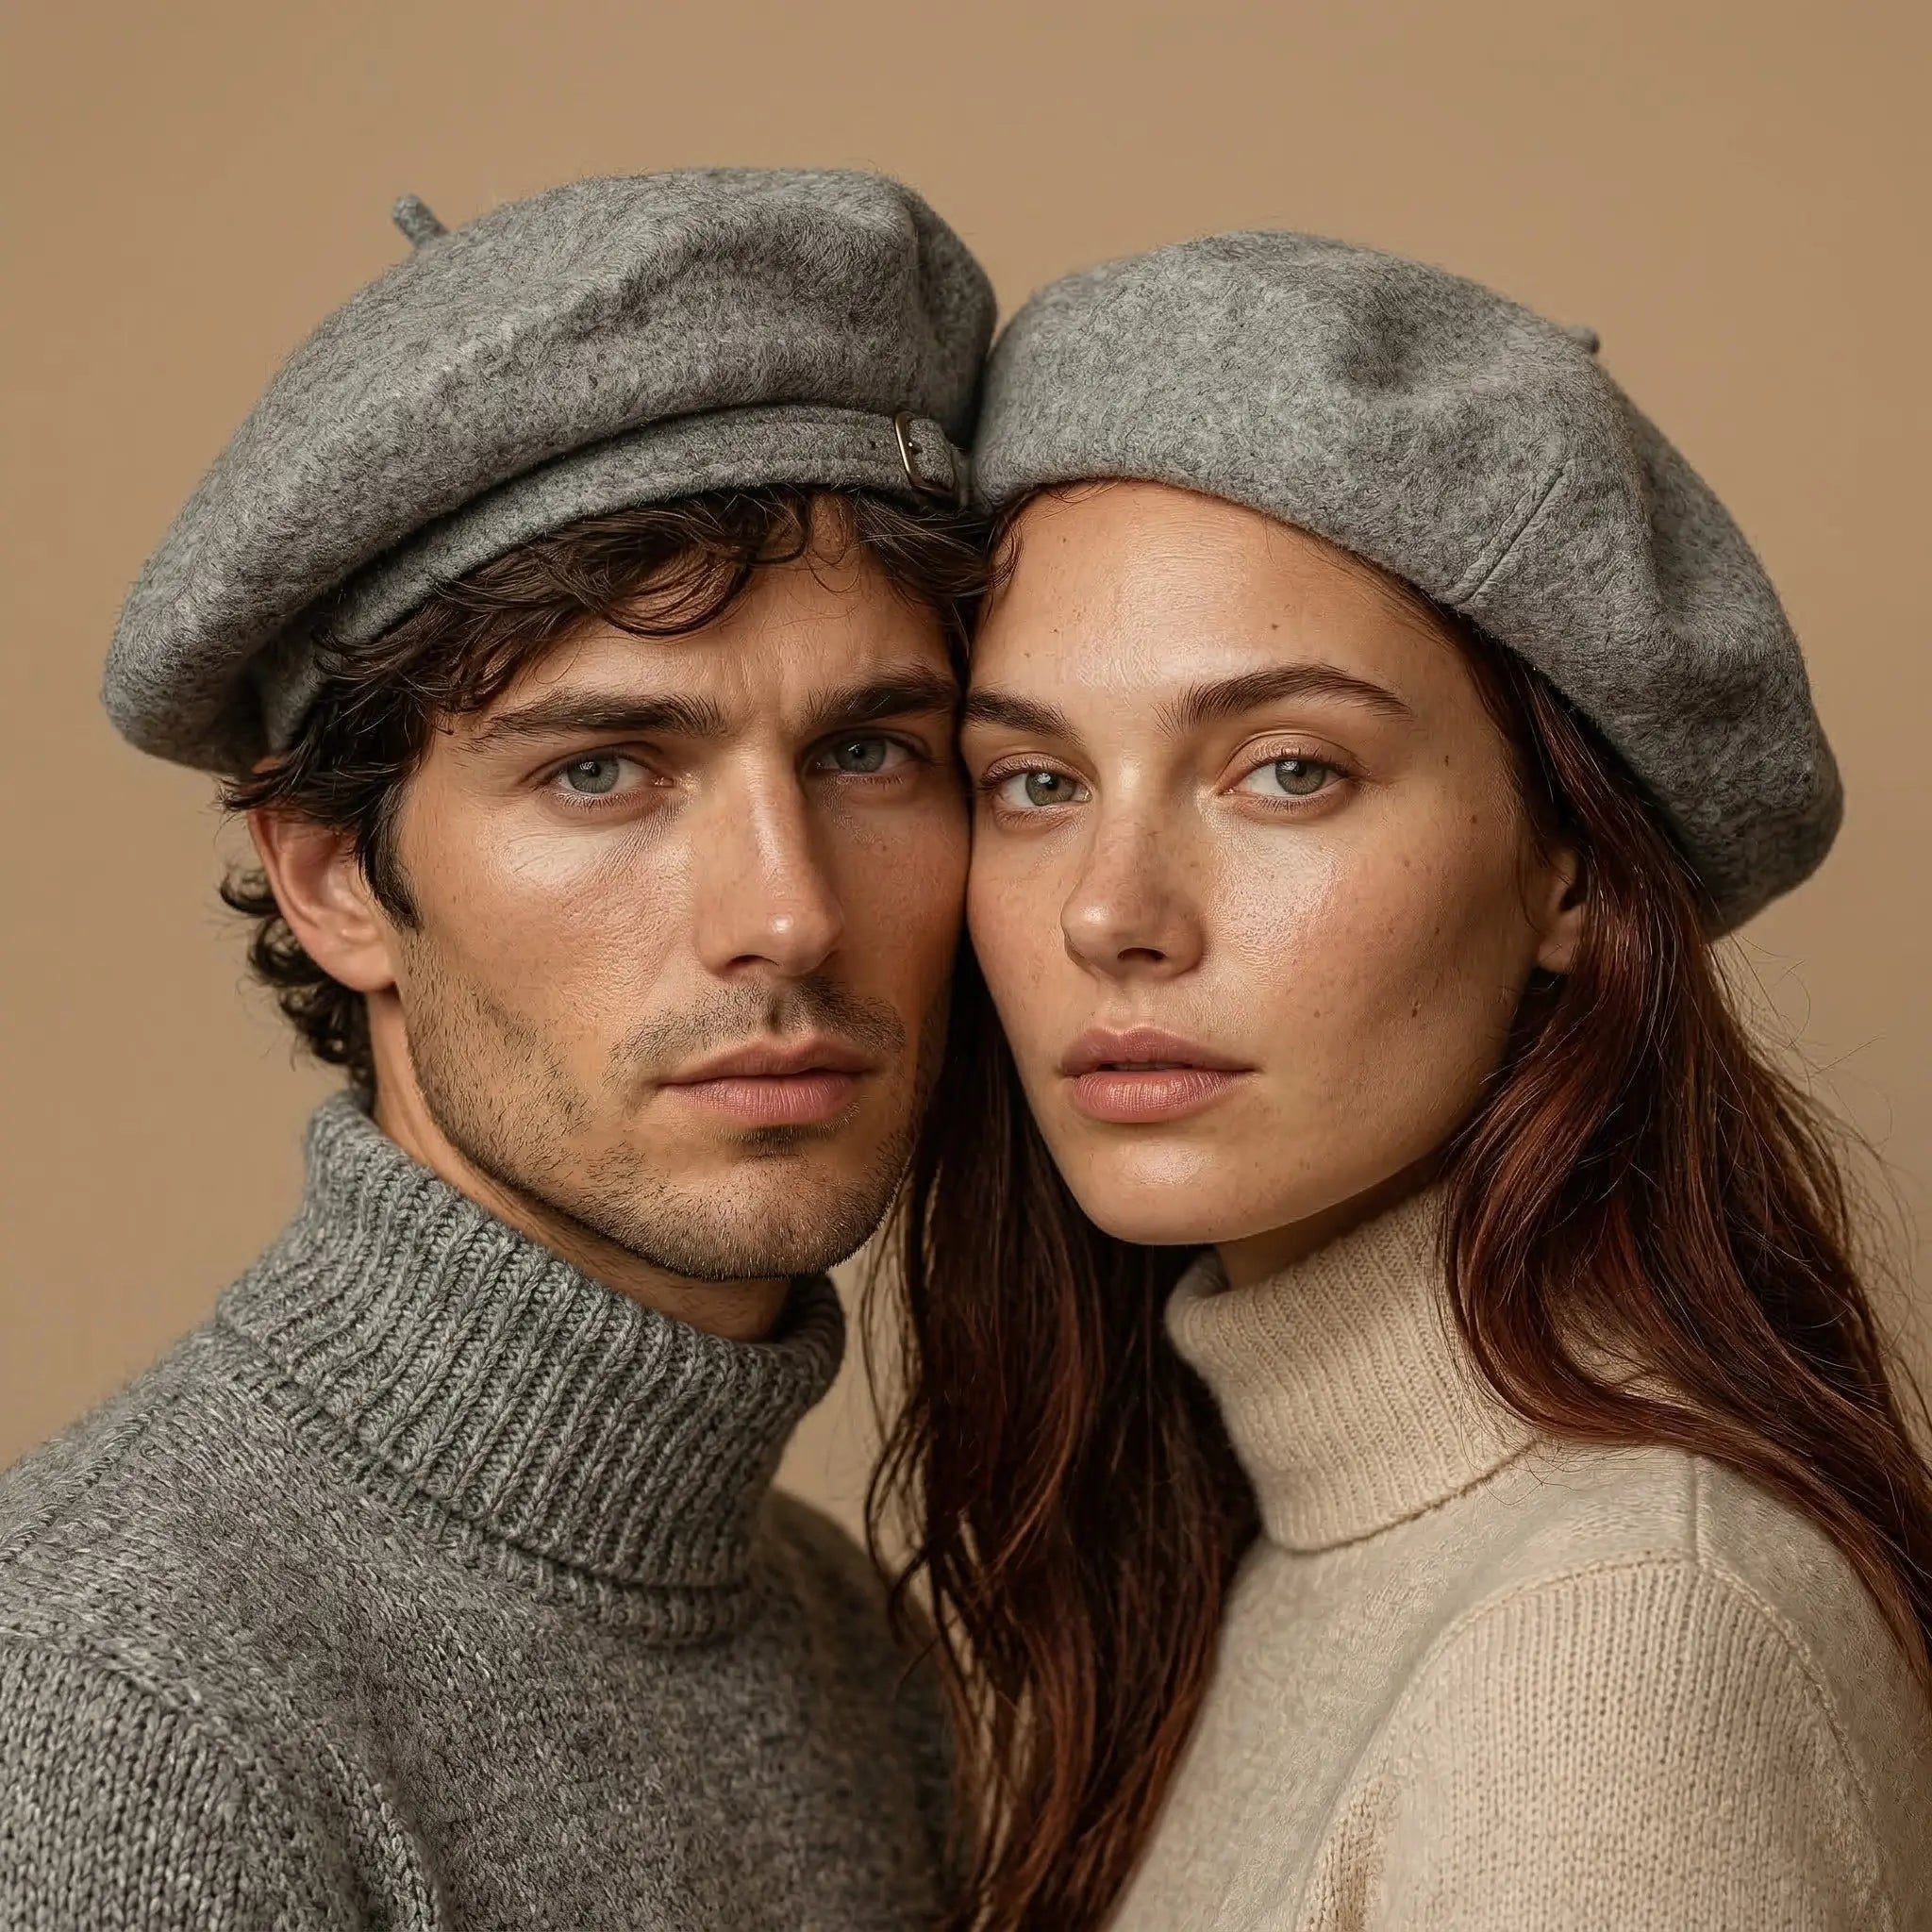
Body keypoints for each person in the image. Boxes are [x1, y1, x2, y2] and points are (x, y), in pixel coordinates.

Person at [872, 232, 1932, 1929]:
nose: (1113, 915)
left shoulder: (1614, 1658)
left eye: (1287, 770)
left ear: (1570, 871)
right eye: (1034, 780)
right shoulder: (1244, 1562)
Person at [0, 169, 993, 1929]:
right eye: (601, 769)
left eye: (868, 755)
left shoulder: (847, 1643)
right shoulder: (114, 1708)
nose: (789, 914)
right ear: (334, 882)